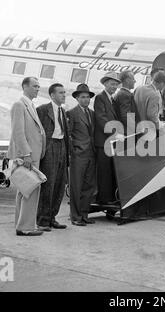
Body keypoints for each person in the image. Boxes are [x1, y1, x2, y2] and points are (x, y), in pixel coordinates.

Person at [7, 77, 46, 236]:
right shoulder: (19, 105)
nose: (38, 89)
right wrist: (26, 154)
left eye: (38, 86)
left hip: (32, 154)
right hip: (28, 155)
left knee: (25, 189)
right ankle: (26, 227)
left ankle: (23, 224)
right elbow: (18, 132)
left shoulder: (30, 105)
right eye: (35, 86)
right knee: (31, 190)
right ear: (25, 87)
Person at [36, 83, 69, 231]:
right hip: (49, 147)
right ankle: (43, 220)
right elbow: (36, 131)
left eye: (64, 92)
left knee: (59, 184)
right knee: (48, 184)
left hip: (61, 146)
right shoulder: (42, 110)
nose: (64, 95)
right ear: (52, 95)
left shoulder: (63, 111)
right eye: (61, 93)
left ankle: (52, 218)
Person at [67, 84, 97, 226]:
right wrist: (74, 152)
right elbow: (68, 135)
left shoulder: (92, 113)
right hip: (79, 155)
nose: (86, 100)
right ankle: (75, 217)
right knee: (76, 186)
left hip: (91, 154)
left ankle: (84, 215)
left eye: (88, 97)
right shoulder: (72, 113)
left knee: (88, 186)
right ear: (77, 98)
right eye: (83, 97)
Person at [94, 71, 124, 205]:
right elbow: (101, 119)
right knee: (104, 172)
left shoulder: (112, 99)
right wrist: (114, 133)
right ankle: (104, 199)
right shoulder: (100, 98)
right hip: (103, 142)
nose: (114, 87)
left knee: (111, 171)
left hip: (111, 142)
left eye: (116, 85)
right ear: (105, 84)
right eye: (112, 84)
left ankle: (110, 199)